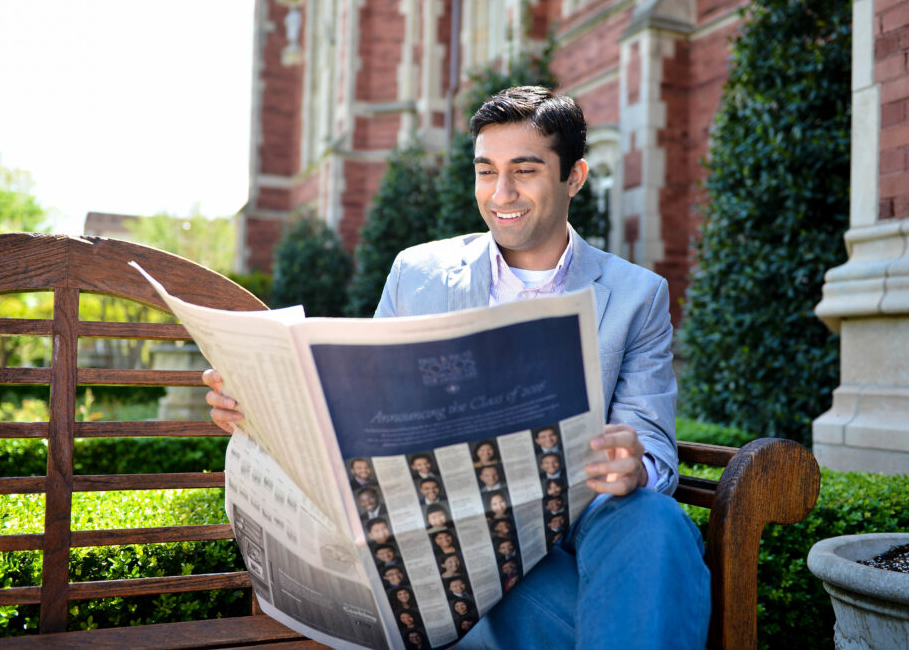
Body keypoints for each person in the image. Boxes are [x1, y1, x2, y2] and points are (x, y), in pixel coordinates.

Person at [204, 85, 710, 648]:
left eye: (525, 170)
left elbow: (656, 451)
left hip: (576, 529)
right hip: (443, 537)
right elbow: (356, 416)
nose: (502, 193)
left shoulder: (637, 295)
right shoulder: (417, 274)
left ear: (575, 177)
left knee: (656, 521)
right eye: (486, 171)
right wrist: (263, 412)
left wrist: (632, 466)